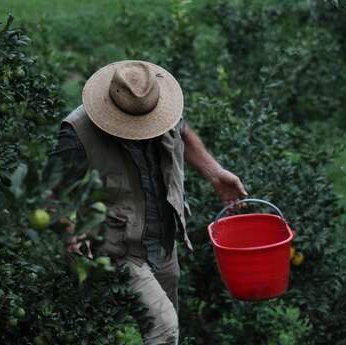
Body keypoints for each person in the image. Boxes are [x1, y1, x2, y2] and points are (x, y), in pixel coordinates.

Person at [45, 60, 247, 345]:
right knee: (164, 330)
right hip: (114, 247)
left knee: (168, 325)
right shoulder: (78, 133)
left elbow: (182, 131)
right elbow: (48, 192)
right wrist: (68, 231)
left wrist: (214, 172)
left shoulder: (161, 105)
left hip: (161, 240)